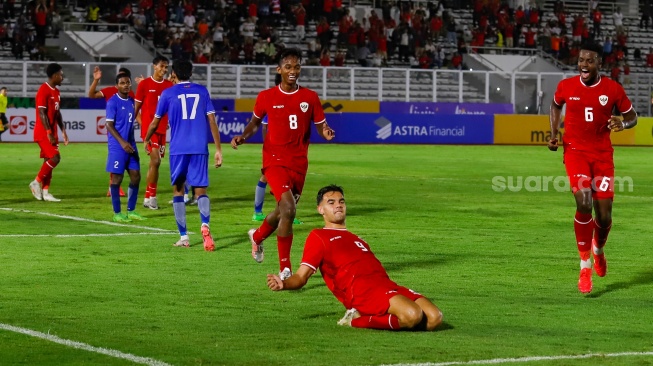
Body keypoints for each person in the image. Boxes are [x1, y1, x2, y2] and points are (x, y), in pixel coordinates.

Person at [267, 185, 443, 331]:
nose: (338, 205)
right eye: (331, 202)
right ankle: (355, 319)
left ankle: (391, 317)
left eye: (341, 201)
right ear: (320, 209)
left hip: (385, 285)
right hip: (362, 291)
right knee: (412, 315)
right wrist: (284, 283)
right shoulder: (318, 236)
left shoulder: (356, 238)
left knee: (435, 318)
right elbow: (301, 276)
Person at [231, 48, 335, 280]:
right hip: (274, 160)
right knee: (289, 208)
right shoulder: (267, 96)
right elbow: (255, 122)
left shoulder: (310, 97)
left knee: (281, 212)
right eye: (288, 67)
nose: (293, 71)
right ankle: (286, 268)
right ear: (279, 70)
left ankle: (257, 237)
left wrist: (325, 131)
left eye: (296, 67)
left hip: (299, 163)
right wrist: (243, 136)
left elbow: (320, 123)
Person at [548, 42, 637, 294]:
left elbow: (633, 116)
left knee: (605, 214)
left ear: (599, 63)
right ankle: (584, 265)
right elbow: (555, 105)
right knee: (584, 201)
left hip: (602, 155)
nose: (583, 65)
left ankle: (598, 250)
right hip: (575, 151)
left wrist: (623, 123)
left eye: (589, 61)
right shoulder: (566, 86)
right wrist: (554, 134)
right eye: (581, 61)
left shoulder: (612, 89)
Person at [144, 59, 222, 252]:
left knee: (178, 192)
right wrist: (219, 149)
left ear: (174, 74)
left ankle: (184, 237)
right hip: (199, 148)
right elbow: (212, 120)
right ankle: (205, 225)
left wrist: (146, 138)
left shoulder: (168, 93)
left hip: (179, 149)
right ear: (191, 73)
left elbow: (155, 122)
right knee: (200, 191)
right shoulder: (202, 91)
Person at [251, 74, 302, 225]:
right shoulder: (272, 99)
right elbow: (264, 126)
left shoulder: (288, 99)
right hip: (275, 150)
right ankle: (265, 212)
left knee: (279, 180)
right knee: (273, 180)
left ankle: (282, 212)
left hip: (289, 149)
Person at [89, 66, 141, 198]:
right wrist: (96, 80)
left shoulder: (131, 96)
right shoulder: (110, 92)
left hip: (128, 135)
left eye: (126, 80)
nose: (124, 83)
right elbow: (91, 95)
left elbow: (136, 114)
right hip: (115, 133)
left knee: (133, 171)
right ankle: (113, 187)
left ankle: (122, 196)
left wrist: (145, 132)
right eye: (120, 80)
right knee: (117, 159)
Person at [105, 73, 146, 223]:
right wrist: (122, 142)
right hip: (118, 146)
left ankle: (131, 210)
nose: (126, 85)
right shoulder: (112, 102)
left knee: (136, 176)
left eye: (128, 82)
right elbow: (109, 125)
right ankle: (117, 213)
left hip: (131, 144)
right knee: (117, 179)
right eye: (122, 83)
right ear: (117, 86)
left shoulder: (131, 102)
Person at [135, 56, 174, 210]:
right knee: (156, 161)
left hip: (162, 130)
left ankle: (146, 197)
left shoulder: (168, 85)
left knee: (154, 164)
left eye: (166, 67)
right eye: (162, 66)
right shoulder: (144, 84)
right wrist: (144, 126)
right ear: (154, 66)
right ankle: (152, 197)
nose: (164, 70)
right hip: (149, 131)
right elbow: (136, 108)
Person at [28, 63, 68, 202]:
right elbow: (41, 112)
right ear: (55, 75)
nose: (62, 77)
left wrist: (63, 130)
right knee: (55, 158)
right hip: (43, 132)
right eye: (61, 75)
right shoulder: (43, 90)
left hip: (53, 132)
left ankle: (45, 192)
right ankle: (35, 182)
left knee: (48, 161)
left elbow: (57, 114)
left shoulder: (56, 92)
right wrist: (49, 132)